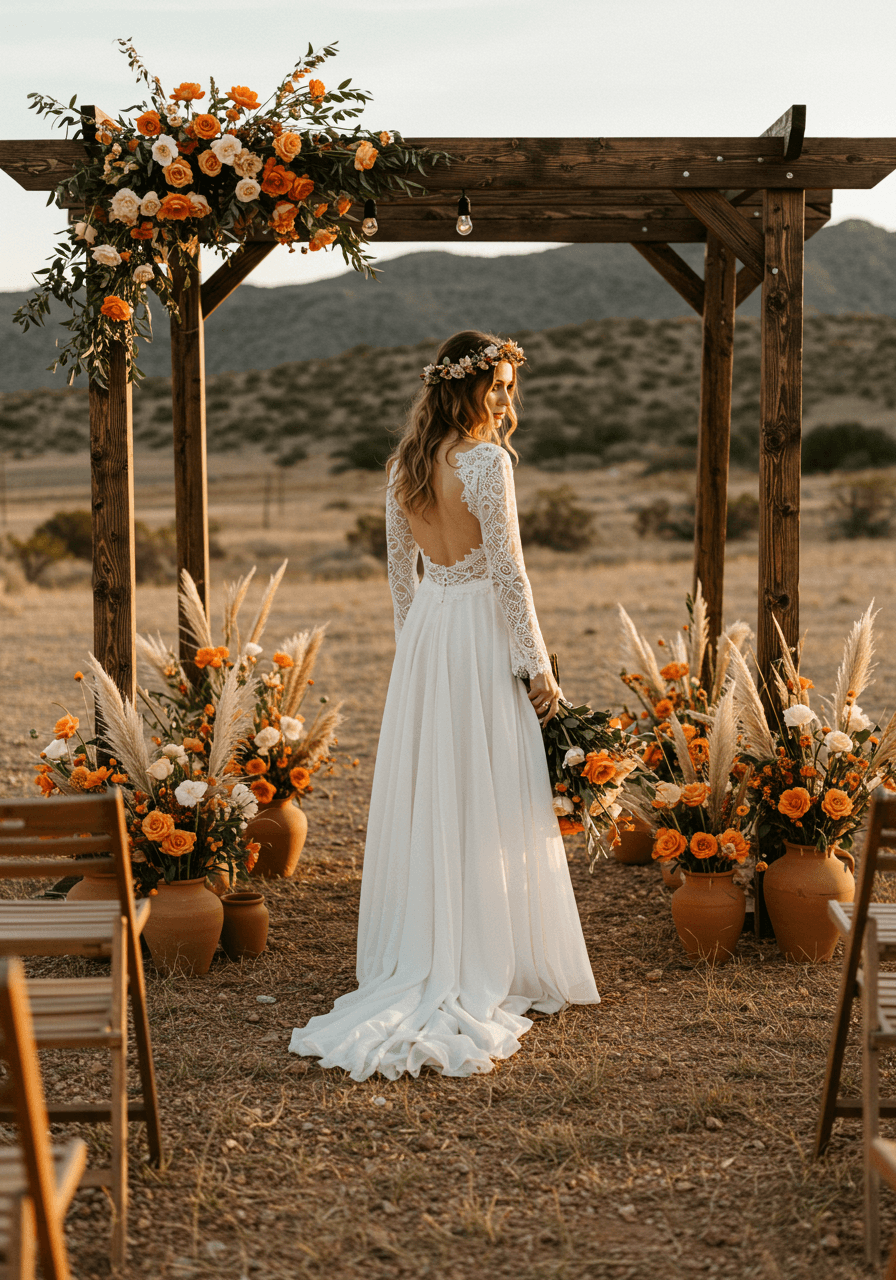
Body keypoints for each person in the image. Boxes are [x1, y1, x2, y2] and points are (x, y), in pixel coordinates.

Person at [289, 330, 599, 1081]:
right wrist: (535, 667)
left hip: (431, 634)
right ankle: (490, 953)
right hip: (481, 630)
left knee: (440, 788)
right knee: (490, 787)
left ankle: (433, 944)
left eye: (507, 386)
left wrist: (418, 650)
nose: (504, 399)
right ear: (462, 388)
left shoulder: (403, 466)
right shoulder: (487, 464)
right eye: (494, 385)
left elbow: (402, 577)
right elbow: (512, 575)